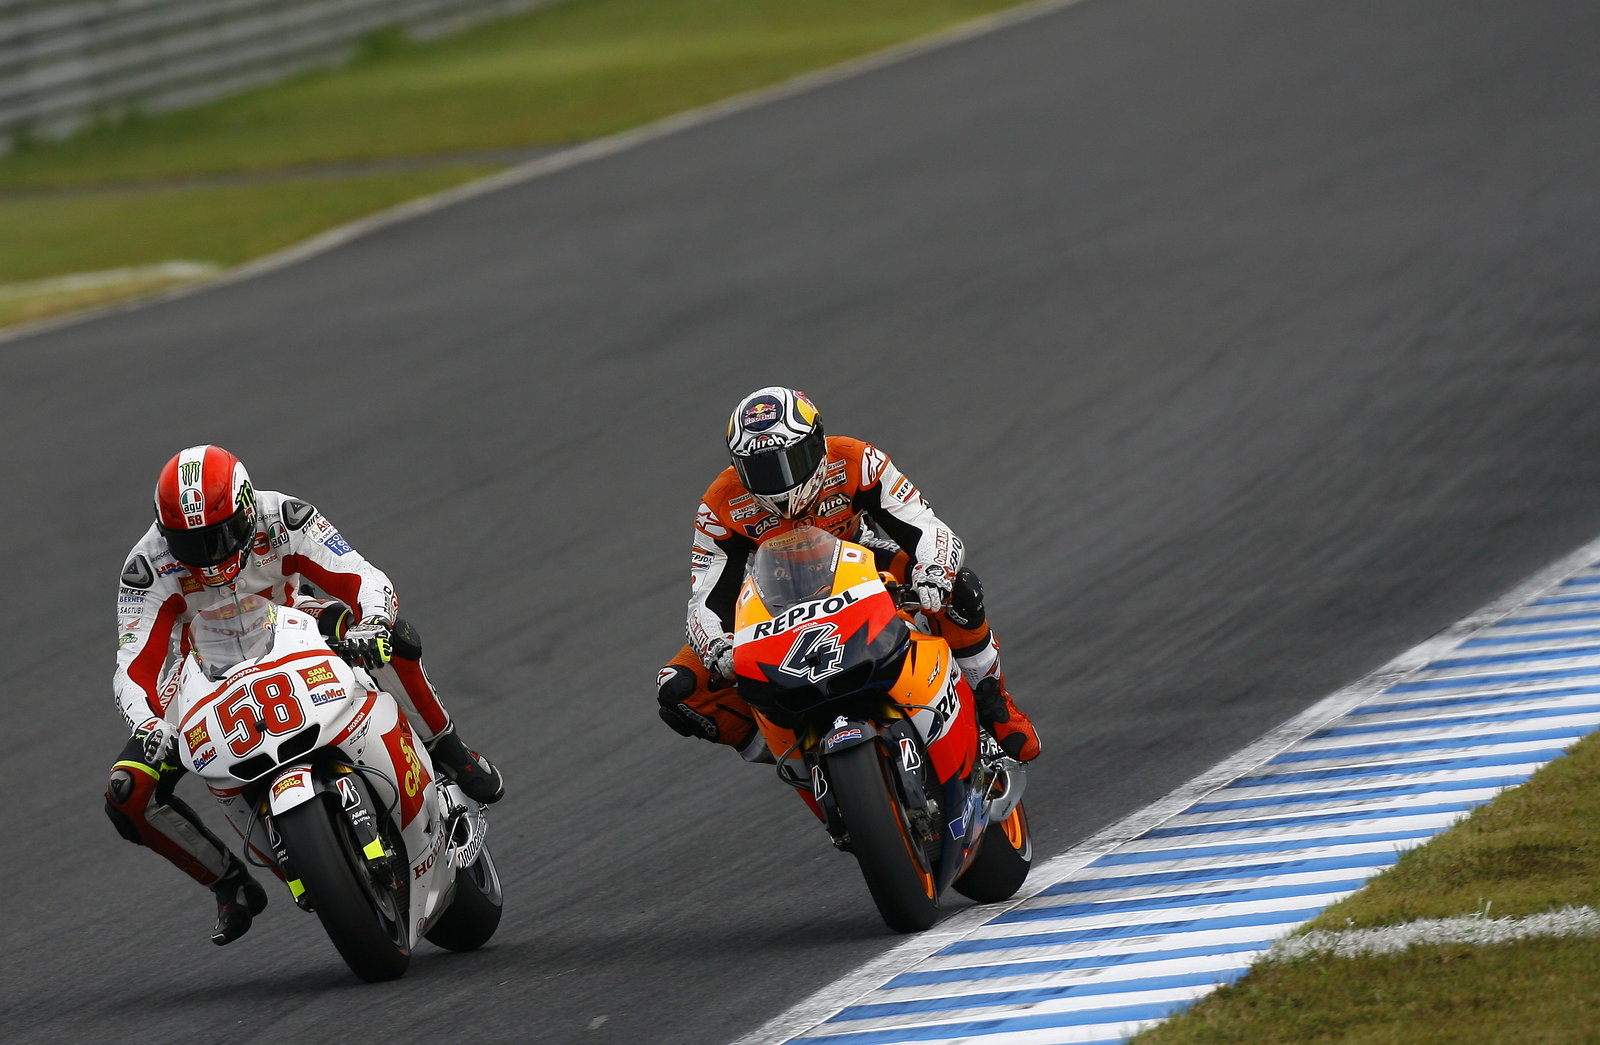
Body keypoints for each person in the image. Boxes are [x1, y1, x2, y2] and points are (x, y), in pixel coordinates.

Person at [105, 444, 504, 946]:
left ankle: (449, 749)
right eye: (191, 544)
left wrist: (373, 621)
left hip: (295, 632)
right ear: (166, 535)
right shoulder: (147, 567)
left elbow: (362, 575)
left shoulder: (283, 517)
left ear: (246, 510)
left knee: (391, 636)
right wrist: (146, 723)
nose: (209, 557)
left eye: (220, 537)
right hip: (199, 677)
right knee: (127, 792)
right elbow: (132, 666)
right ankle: (230, 885)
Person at [654, 386, 1040, 763]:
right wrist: (716, 645)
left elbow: (924, 525)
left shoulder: (857, 459)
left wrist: (934, 568)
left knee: (959, 588)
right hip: (770, 597)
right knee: (680, 689)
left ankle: (992, 705)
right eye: (761, 470)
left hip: (862, 562)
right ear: (738, 467)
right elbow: (705, 596)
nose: (780, 482)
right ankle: (793, 752)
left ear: (817, 442)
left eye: (792, 460)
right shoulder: (719, 504)